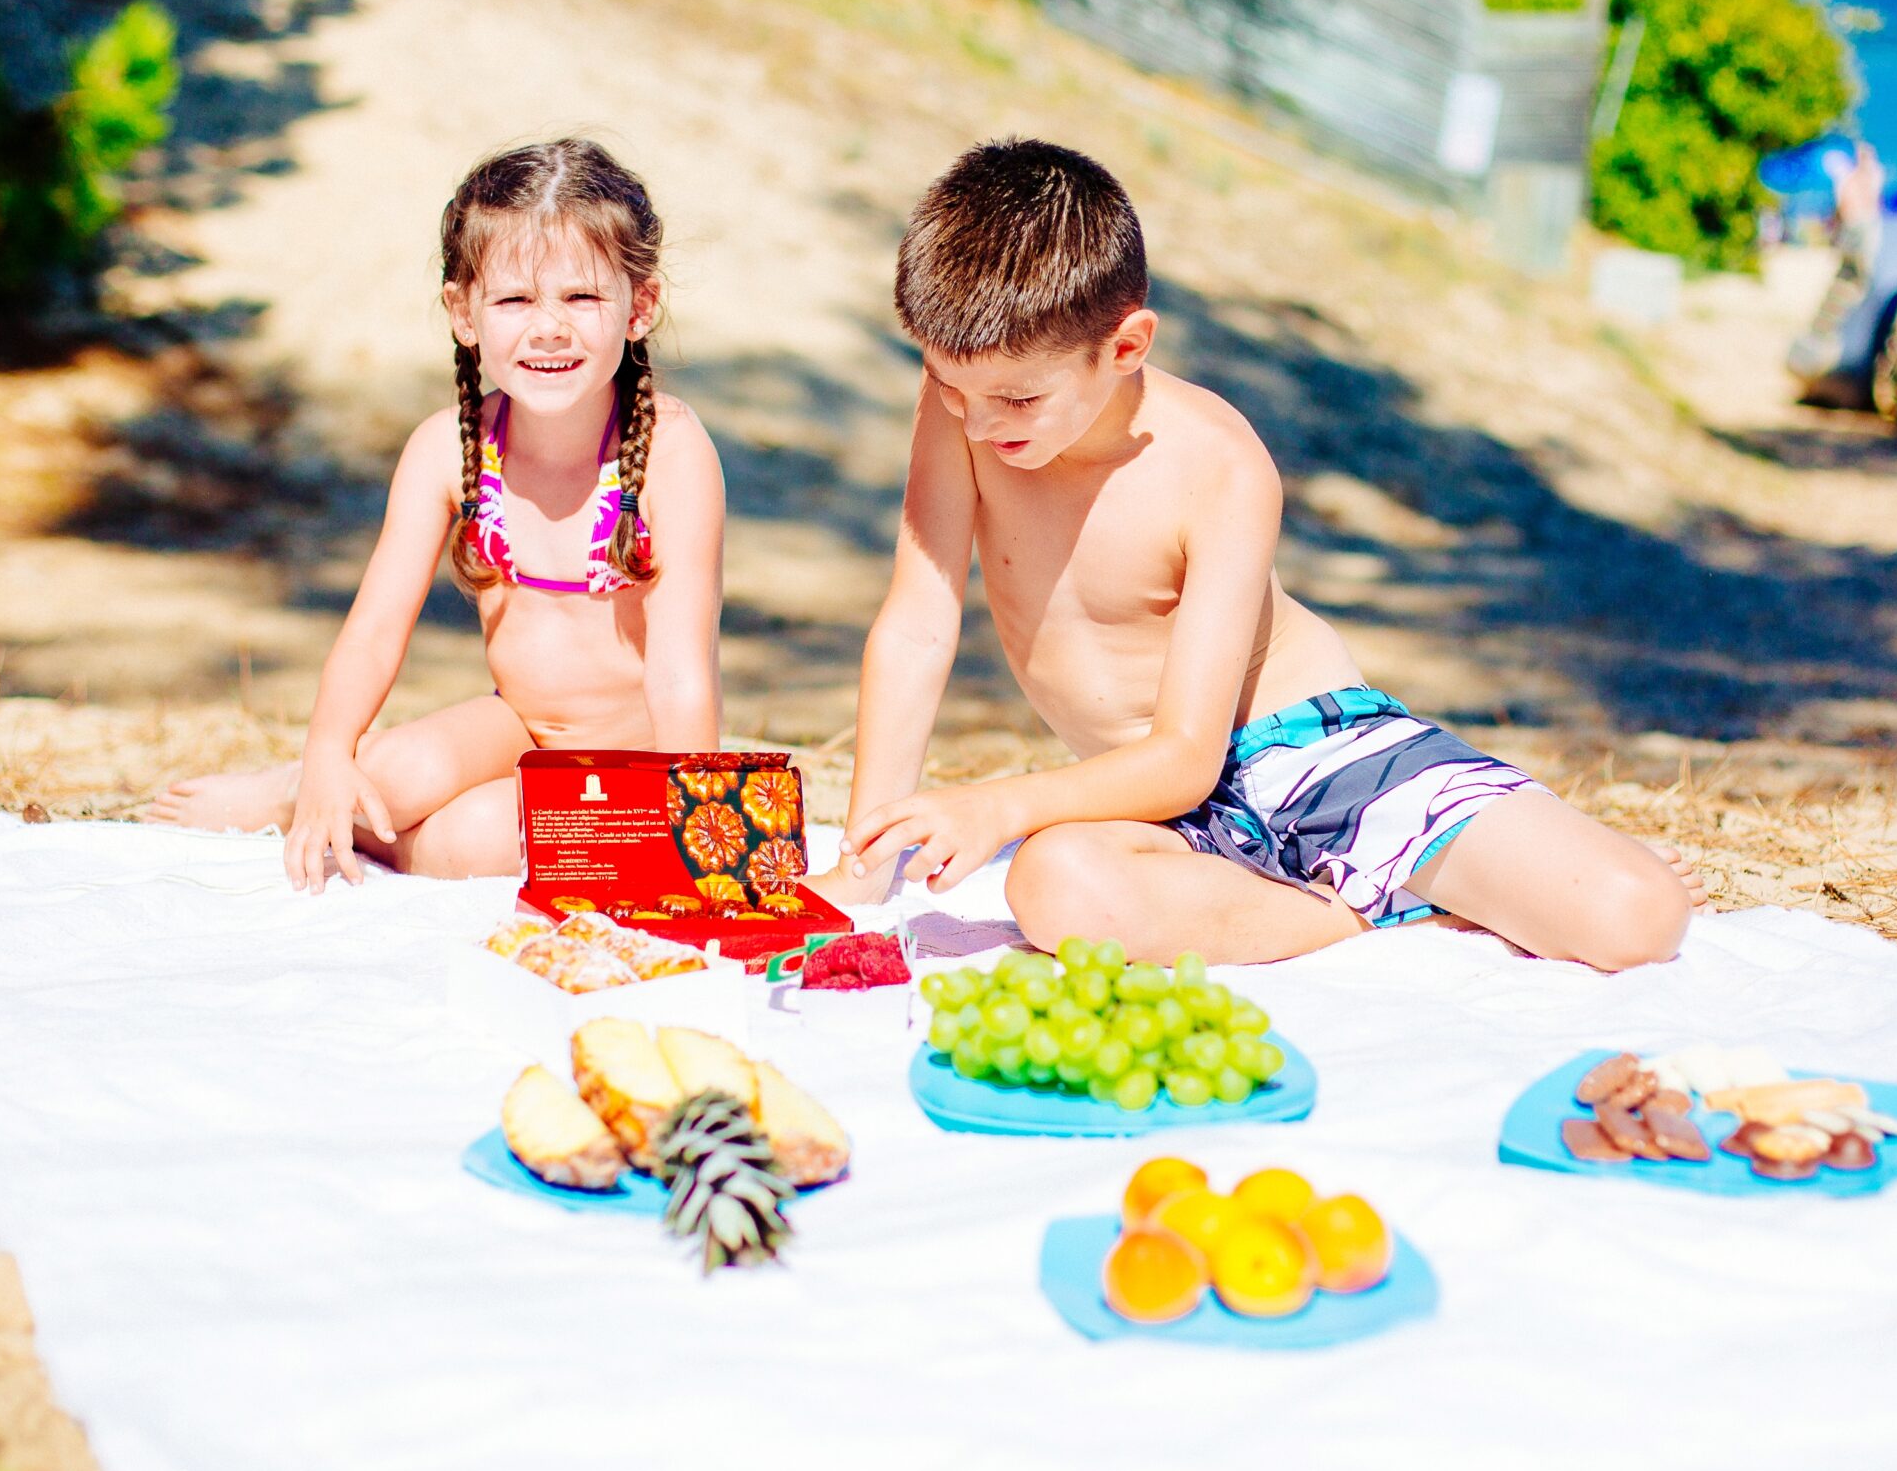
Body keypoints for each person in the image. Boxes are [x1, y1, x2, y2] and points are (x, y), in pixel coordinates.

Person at [815, 139, 1704, 969]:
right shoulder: (967, 402)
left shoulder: (1218, 464)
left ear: (1124, 346)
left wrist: (999, 802)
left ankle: (1408, 868)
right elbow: (919, 623)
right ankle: (1363, 909)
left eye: (1014, 397)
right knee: (1054, 885)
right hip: (1160, 804)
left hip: (1311, 754)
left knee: (1635, 916)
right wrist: (862, 863)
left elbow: (1190, 753)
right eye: (946, 383)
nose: (974, 420)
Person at [144, 140, 727, 889]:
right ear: (464, 312)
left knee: (476, 840)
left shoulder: (671, 454)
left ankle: (338, 813)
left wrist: (696, 833)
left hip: (636, 767)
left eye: (581, 297)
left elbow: (681, 680)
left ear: (639, 306)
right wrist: (327, 752)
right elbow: (375, 630)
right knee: (391, 771)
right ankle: (294, 790)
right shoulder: (449, 450)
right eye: (515, 300)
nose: (549, 327)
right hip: (515, 725)